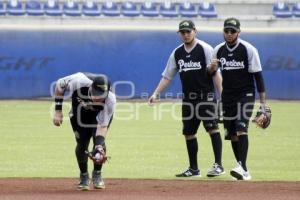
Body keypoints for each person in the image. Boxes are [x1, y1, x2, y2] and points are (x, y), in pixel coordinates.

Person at [148, 20, 224, 177]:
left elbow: (215, 73)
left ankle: (218, 165)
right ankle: (194, 169)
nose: (185, 34)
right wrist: (156, 93)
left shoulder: (205, 48)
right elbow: (167, 76)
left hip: (206, 96)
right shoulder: (177, 53)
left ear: (195, 31)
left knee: (212, 128)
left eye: (188, 31)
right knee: (189, 132)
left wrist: (223, 97)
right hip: (188, 98)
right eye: (182, 32)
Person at [207, 18, 268, 180]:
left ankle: (242, 167)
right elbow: (210, 73)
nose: (229, 34)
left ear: (239, 32)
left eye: (232, 31)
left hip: (245, 95)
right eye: (226, 30)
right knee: (232, 134)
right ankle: (243, 168)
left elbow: (258, 77)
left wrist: (263, 105)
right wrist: (212, 68)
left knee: (241, 128)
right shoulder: (218, 50)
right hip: (228, 97)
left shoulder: (248, 49)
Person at [52, 72, 116, 190]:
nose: (98, 97)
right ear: (91, 87)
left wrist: (99, 146)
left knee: (99, 145)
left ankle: (97, 174)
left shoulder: (110, 100)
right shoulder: (79, 81)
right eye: (96, 93)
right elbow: (60, 84)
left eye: (102, 95)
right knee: (82, 144)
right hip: (79, 115)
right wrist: (58, 110)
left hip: (98, 117)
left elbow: (102, 126)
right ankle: (84, 176)